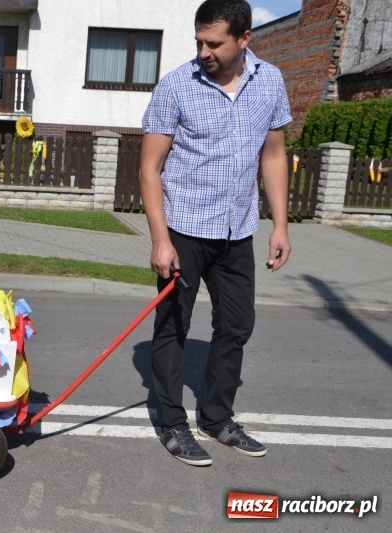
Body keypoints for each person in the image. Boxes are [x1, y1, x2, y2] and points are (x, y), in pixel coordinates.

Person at [140, 0, 292, 466]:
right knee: (171, 327)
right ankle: (171, 424)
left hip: (236, 230)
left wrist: (280, 225)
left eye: (215, 43)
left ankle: (216, 417)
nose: (204, 51)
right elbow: (150, 168)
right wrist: (160, 239)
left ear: (244, 39)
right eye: (199, 42)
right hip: (183, 229)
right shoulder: (176, 86)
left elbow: (273, 155)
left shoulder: (270, 82)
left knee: (237, 325)